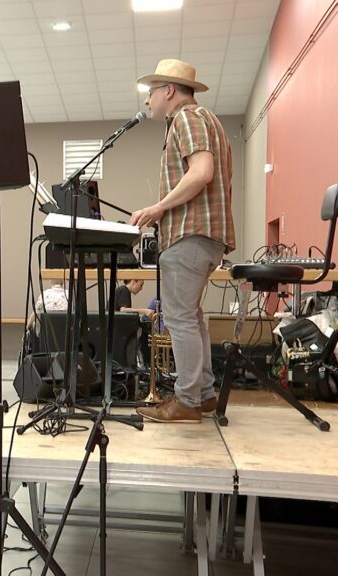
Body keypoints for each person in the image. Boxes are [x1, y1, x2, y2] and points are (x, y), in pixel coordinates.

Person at [130, 59, 234, 424]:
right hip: (208, 235)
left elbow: (201, 172)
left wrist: (159, 207)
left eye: (151, 93)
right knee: (191, 317)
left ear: (169, 91)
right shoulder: (210, 120)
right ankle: (202, 394)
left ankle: (188, 401)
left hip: (190, 232)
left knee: (179, 318)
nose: (147, 101)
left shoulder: (187, 119)